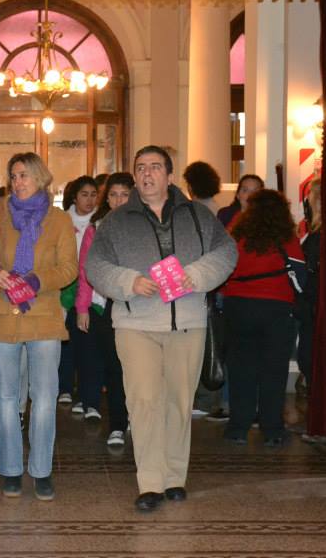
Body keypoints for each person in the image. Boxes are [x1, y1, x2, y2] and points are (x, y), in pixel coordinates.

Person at [86, 146, 237, 512]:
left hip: (187, 324)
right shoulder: (116, 221)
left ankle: (174, 477)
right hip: (136, 324)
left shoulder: (199, 215)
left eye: (155, 167)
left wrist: (196, 275)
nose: (147, 174)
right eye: (141, 168)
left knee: (179, 403)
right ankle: (150, 482)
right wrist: (128, 281)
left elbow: (227, 252)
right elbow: (95, 265)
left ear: (170, 176)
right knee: (144, 402)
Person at [0, 152, 78, 501]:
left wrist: (36, 281)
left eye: (24, 175)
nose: (17, 182)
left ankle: (41, 470)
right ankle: (11, 469)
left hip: (43, 317)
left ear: (40, 178)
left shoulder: (59, 220)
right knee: (6, 397)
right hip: (2, 317)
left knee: (44, 398)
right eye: (13, 176)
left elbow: (68, 268)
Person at [220, 189, 307, 448]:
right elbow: (299, 277)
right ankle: (272, 430)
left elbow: (222, 268)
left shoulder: (236, 235)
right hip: (276, 310)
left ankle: (238, 428)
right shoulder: (286, 238)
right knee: (274, 370)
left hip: (239, 307)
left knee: (241, 369)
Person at [75, 171, 135, 445]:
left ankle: (138, 418)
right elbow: (85, 269)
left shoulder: (145, 225)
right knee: (114, 367)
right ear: (106, 198)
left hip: (141, 304)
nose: (119, 200)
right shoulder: (96, 227)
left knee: (139, 367)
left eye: (125, 194)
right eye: (113, 194)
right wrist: (82, 307)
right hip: (106, 305)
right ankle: (118, 424)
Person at [182, 161, 229, 422]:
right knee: (214, 342)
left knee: (204, 343)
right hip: (215, 283)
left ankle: (203, 398)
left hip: (198, 284)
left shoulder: (194, 211)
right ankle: (210, 398)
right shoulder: (219, 209)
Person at [59, 175, 102, 419]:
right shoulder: (63, 220)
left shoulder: (100, 220)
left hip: (89, 286)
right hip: (66, 285)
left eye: (93, 195)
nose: (89, 200)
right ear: (75, 197)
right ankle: (65, 387)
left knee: (87, 344)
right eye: (84, 194)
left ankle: (87, 396)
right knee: (67, 340)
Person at [295, 179, 321, 394]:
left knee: (310, 353)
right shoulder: (316, 235)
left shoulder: (317, 237)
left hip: (311, 304)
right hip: (311, 305)